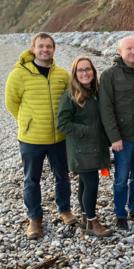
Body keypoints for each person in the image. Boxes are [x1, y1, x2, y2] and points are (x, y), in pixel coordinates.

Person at [5, 33, 76, 239]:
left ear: (54, 49)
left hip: (59, 138)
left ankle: (64, 210)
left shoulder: (62, 75)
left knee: (62, 176)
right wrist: (27, 122)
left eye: (49, 46)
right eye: (41, 46)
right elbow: (11, 103)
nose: (45, 50)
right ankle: (34, 218)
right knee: (31, 179)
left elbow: (71, 100)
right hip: (31, 139)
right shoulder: (18, 74)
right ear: (33, 48)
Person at [99, 36, 134, 230]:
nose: (133, 52)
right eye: (128, 49)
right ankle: (120, 214)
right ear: (119, 51)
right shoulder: (109, 75)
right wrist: (114, 137)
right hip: (122, 140)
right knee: (121, 178)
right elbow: (106, 108)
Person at [57, 56, 113, 237]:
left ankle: (85, 217)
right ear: (74, 74)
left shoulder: (96, 91)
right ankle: (92, 221)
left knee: (84, 182)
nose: (85, 73)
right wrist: (87, 130)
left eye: (88, 69)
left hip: (96, 147)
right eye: (80, 70)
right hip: (81, 149)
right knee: (91, 184)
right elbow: (63, 124)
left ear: (93, 71)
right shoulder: (70, 95)